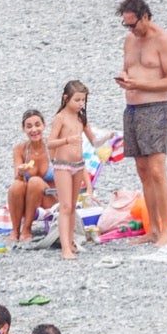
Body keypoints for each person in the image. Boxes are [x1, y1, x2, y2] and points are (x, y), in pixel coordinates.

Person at [116, 0, 167, 247]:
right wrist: (124, 77)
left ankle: (165, 231)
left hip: (155, 108)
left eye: (133, 24)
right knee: (142, 170)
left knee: (156, 169)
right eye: (126, 25)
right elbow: (130, 67)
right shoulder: (129, 40)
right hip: (131, 109)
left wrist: (139, 83)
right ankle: (152, 228)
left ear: (145, 17)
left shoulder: (163, 39)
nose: (131, 29)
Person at [48, 81, 103, 260]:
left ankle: (70, 241)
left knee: (72, 206)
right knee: (65, 206)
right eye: (77, 100)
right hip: (62, 165)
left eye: (83, 100)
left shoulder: (81, 118)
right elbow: (49, 142)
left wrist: (109, 138)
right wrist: (66, 141)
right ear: (66, 99)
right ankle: (65, 248)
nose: (80, 104)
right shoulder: (61, 118)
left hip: (78, 164)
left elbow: (94, 139)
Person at [8, 109, 57, 242]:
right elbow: (17, 178)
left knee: (35, 181)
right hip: (28, 201)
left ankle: (27, 229)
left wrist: (88, 189)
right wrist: (21, 172)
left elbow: (75, 167)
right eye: (29, 126)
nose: (34, 130)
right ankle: (15, 230)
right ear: (23, 129)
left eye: (37, 125)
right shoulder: (20, 149)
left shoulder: (52, 147)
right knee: (16, 186)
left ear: (44, 126)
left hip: (51, 199)